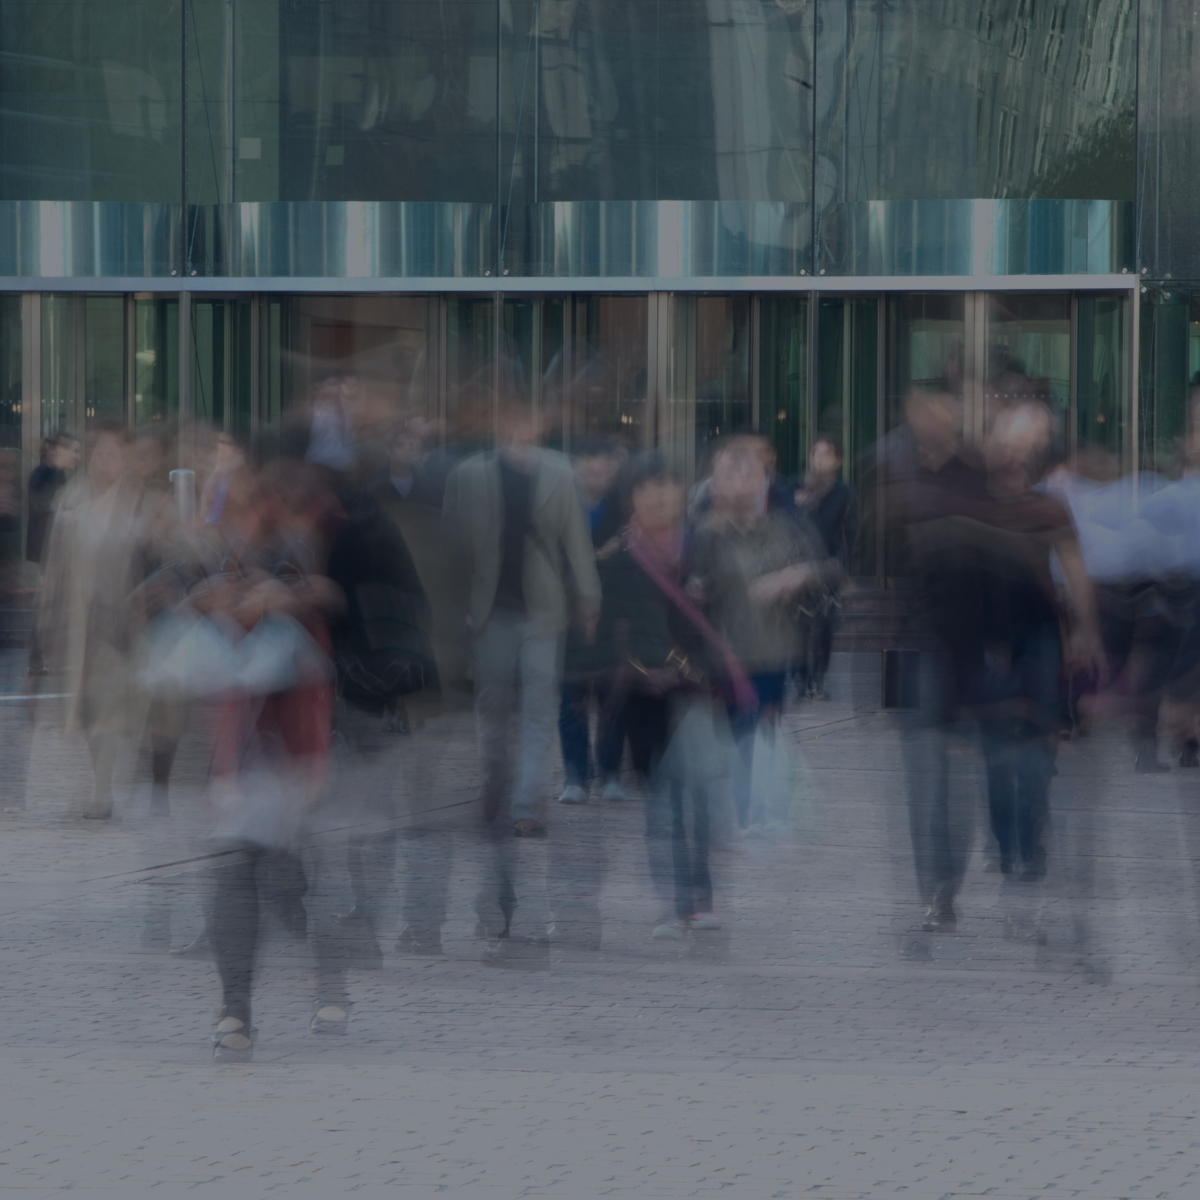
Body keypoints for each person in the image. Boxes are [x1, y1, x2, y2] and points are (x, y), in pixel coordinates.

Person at [443, 394, 601, 841]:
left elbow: (577, 541)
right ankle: (496, 778)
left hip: (543, 610)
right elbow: (452, 550)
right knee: (491, 708)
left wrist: (588, 597)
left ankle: (528, 806)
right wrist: (452, 611)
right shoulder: (468, 474)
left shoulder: (561, 472)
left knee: (537, 708)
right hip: (489, 610)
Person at [597, 454, 723, 936]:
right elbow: (609, 633)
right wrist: (640, 670)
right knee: (663, 804)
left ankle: (701, 898)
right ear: (633, 497)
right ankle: (676, 903)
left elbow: (724, 622)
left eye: (667, 485)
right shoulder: (618, 559)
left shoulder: (701, 548)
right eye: (647, 488)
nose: (659, 495)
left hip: (695, 692)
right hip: (643, 697)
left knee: (698, 798)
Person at [688, 437, 832, 831]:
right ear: (714, 482)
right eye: (728, 474)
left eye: (749, 473)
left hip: (775, 649)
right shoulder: (703, 533)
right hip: (726, 653)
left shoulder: (785, 528)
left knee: (761, 731)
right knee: (741, 733)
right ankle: (749, 808)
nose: (739, 481)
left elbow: (827, 570)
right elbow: (686, 584)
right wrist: (696, 588)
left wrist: (797, 575)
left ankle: (755, 809)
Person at [37, 423, 143, 820]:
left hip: (120, 620)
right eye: (97, 452)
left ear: (124, 459)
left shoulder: (137, 501)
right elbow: (55, 563)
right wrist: (47, 618)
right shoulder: (71, 498)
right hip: (77, 619)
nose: (102, 460)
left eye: (111, 453)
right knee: (85, 710)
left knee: (108, 708)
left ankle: (103, 791)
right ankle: (101, 784)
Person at [558, 436, 628, 804]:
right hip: (569, 617)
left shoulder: (623, 508)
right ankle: (575, 775)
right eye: (588, 471)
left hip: (612, 617)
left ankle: (611, 773)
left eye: (602, 473)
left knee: (611, 699)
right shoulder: (560, 505)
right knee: (571, 699)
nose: (594, 479)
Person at [794, 433, 858, 699]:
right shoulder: (795, 487)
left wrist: (841, 563)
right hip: (795, 570)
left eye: (826, 454)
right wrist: (797, 505)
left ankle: (818, 680)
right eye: (816, 454)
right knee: (797, 629)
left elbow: (850, 533)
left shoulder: (844, 493)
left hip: (827, 569)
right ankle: (802, 681)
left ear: (838, 461)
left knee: (824, 626)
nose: (819, 460)